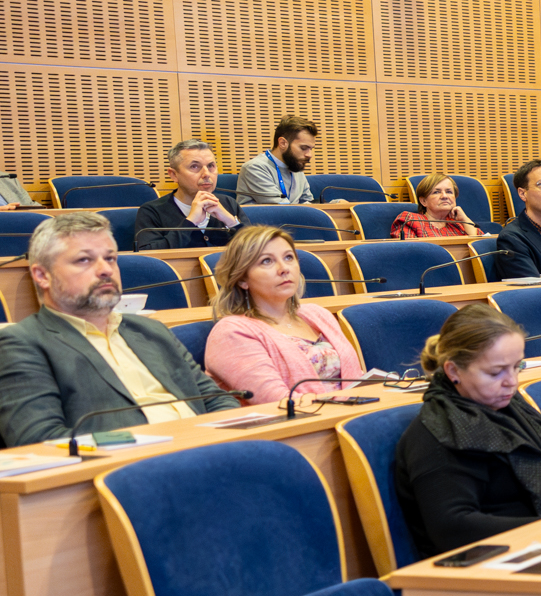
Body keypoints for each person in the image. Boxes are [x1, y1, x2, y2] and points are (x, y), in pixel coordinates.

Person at [0, 213, 239, 446]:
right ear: (42, 275)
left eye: (111, 258)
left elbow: (217, 401)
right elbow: (40, 440)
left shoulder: (150, 330)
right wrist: (147, 441)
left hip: (209, 453)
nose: (105, 270)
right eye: (84, 260)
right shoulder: (22, 343)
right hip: (123, 472)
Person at [392, 304, 541, 556]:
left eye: (517, 366)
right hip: (489, 570)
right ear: (454, 371)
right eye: (496, 372)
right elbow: (452, 528)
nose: (512, 382)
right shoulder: (439, 432)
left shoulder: (511, 409)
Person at [204, 224, 365, 403]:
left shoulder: (318, 314)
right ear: (242, 279)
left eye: (289, 257)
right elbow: (276, 400)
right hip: (300, 424)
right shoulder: (231, 332)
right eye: (267, 261)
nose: (284, 268)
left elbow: (355, 378)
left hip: (354, 412)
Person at [135, 139, 239, 250]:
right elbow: (147, 257)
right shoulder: (152, 211)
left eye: (210, 166)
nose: (206, 174)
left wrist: (230, 221)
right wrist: (190, 221)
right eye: (194, 166)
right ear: (174, 175)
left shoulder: (228, 203)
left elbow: (256, 249)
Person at [235, 116, 318, 212]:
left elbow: (308, 202)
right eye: (304, 148)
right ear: (282, 143)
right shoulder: (254, 168)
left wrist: (335, 203)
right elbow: (279, 208)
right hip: (262, 225)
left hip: (292, 222)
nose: (309, 155)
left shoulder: (295, 165)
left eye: (311, 149)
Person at [391, 174, 484, 239]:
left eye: (449, 192)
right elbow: (409, 253)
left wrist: (465, 219)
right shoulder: (410, 220)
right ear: (423, 201)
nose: (444, 196)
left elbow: (481, 249)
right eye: (436, 192)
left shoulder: (460, 224)